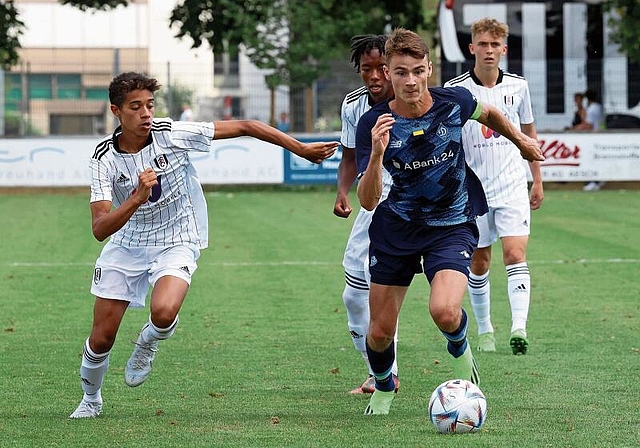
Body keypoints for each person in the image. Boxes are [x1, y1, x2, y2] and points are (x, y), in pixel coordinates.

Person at [69, 72, 338, 419]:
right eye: (135, 107)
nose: (146, 113)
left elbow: (246, 126)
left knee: (164, 312)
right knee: (102, 338)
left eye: (150, 105)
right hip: (126, 244)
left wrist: (299, 148)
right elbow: (99, 228)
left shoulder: (171, 135)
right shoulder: (103, 158)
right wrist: (137, 197)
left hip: (178, 238)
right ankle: (91, 399)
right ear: (116, 111)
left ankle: (148, 342)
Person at [354, 28, 544, 415]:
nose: (410, 81)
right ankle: (385, 387)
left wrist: (521, 142)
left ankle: (462, 358)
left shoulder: (453, 101)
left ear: (429, 70)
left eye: (418, 71)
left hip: (453, 224)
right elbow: (369, 199)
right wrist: (376, 154)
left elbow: (489, 112)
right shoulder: (373, 123)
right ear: (388, 73)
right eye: (401, 72)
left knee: (443, 310)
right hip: (397, 229)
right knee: (378, 333)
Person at [443, 17, 544, 355]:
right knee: (480, 262)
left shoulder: (519, 87)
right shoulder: (455, 90)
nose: (488, 51)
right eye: (482, 44)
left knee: (515, 254)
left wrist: (537, 180)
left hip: (513, 185)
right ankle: (485, 329)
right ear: (472, 48)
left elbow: (528, 135)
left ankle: (519, 328)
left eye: (494, 45)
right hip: (473, 190)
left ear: (504, 49)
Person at [333, 34, 397, 395]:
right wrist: (342, 191)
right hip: (373, 201)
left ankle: (387, 373)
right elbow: (349, 156)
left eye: (381, 68)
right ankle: (380, 373)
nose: (374, 76)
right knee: (356, 295)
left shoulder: (412, 98)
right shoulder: (353, 105)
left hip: (413, 204)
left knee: (385, 286)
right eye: (366, 69)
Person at [575, 89, 606, 191]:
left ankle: (593, 182)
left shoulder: (591, 109)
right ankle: (599, 179)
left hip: (593, 136)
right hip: (600, 134)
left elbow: (589, 124)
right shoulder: (599, 107)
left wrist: (575, 128)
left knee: (591, 159)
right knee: (598, 158)